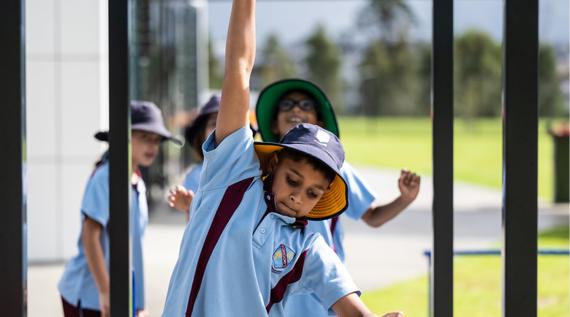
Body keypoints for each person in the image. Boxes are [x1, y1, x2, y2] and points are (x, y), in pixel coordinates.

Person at [161, 0, 402, 316]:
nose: (297, 197)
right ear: (273, 164)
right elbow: (239, 68)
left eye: (313, 193)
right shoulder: (233, 172)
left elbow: (350, 306)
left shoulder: (307, 248)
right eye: (293, 180)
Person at [255, 78, 421, 316]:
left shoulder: (337, 174)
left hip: (323, 294)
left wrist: (404, 199)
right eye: (287, 104)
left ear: (320, 122)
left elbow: (372, 217)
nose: (296, 110)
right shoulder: (257, 174)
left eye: (305, 105)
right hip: (273, 290)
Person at [58, 101, 182, 317]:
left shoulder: (137, 180)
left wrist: (137, 303)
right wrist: (106, 291)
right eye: (144, 138)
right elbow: (90, 236)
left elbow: (135, 247)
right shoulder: (107, 177)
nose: (152, 146)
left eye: (156, 140)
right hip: (90, 295)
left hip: (119, 296)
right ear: (125, 138)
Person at [167, 95, 220, 214]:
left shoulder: (251, 169)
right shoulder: (194, 176)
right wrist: (190, 206)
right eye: (213, 123)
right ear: (202, 135)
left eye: (226, 123)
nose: (220, 129)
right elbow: (191, 226)